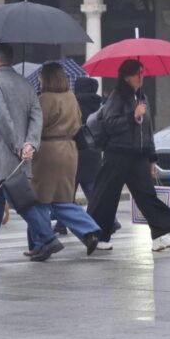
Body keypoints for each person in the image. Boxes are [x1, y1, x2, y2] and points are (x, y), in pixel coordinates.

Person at [87, 60, 170, 251]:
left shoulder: (142, 97)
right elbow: (110, 124)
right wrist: (133, 116)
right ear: (127, 76)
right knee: (106, 196)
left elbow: (147, 130)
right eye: (138, 73)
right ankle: (97, 236)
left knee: (147, 195)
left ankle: (159, 235)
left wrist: (152, 157)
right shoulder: (117, 96)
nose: (142, 77)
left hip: (138, 156)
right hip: (117, 154)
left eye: (143, 73)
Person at [0, 43, 63, 262]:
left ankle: (48, 238)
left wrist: (17, 146)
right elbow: (37, 116)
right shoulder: (26, 83)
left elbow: (2, 117)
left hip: (5, 151)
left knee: (19, 200)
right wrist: (30, 144)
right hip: (22, 150)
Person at [27, 62, 101, 256]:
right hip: (69, 150)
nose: (40, 79)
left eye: (42, 76)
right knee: (63, 198)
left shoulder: (44, 99)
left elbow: (37, 127)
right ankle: (89, 230)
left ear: (47, 78)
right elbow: (78, 124)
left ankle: (40, 242)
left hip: (48, 151)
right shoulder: (71, 98)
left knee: (40, 199)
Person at [52, 77, 121, 237]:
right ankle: (112, 220)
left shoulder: (72, 104)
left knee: (67, 193)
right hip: (93, 153)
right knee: (93, 191)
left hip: (75, 153)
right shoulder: (101, 106)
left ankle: (62, 224)